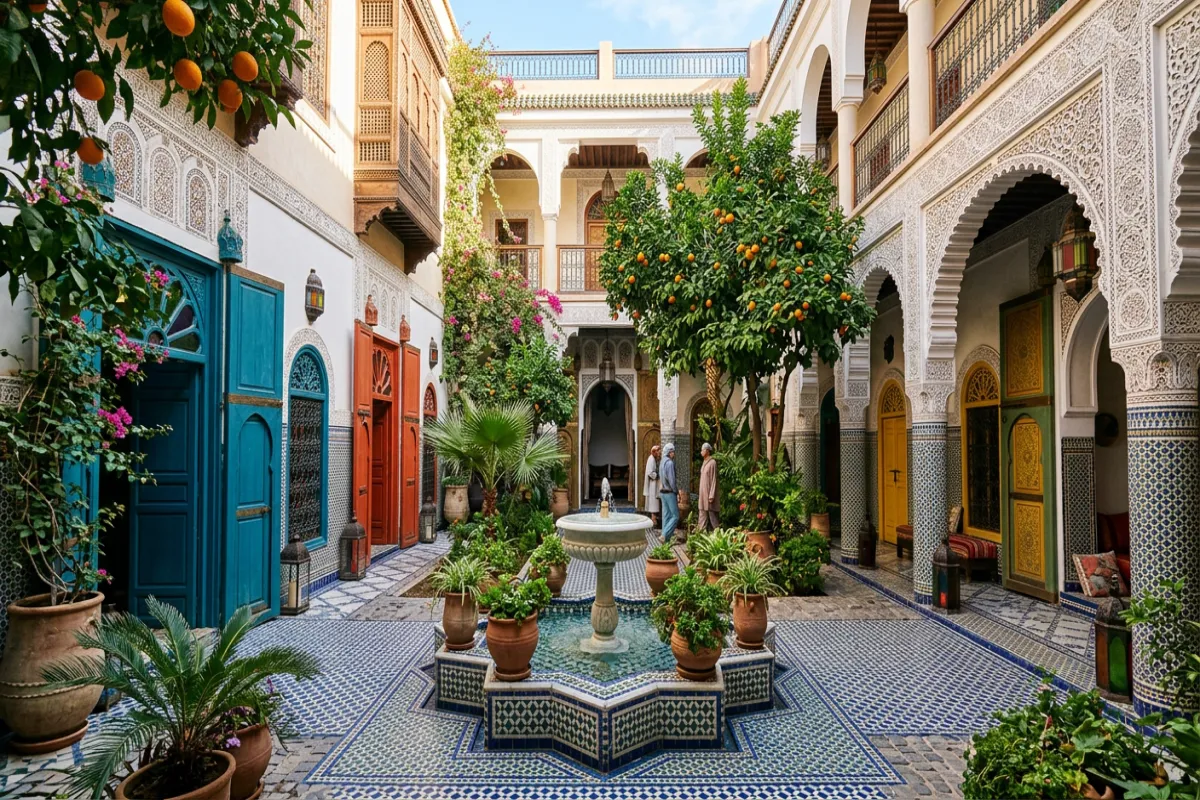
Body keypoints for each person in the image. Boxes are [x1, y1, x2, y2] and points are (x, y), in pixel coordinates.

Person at [697, 442, 720, 531]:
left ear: (707, 451)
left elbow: (714, 479)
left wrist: (711, 495)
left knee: (712, 515)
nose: (701, 452)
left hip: (709, 494)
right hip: (702, 493)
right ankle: (700, 534)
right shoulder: (704, 462)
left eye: (702, 450)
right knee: (702, 512)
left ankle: (718, 534)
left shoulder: (712, 462)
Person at [659, 443, 679, 543]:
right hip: (669, 493)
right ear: (669, 452)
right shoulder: (670, 463)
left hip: (662, 492)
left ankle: (665, 542)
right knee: (675, 516)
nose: (673, 454)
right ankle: (664, 535)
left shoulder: (662, 462)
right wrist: (676, 491)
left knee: (666, 515)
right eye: (672, 452)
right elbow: (671, 480)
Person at [643, 444, 661, 527]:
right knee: (653, 501)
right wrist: (657, 475)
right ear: (654, 452)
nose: (659, 453)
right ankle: (653, 519)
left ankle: (654, 518)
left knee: (654, 501)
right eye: (658, 451)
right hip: (652, 484)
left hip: (654, 484)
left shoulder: (653, 459)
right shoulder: (651, 459)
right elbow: (650, 473)